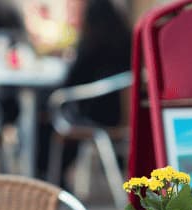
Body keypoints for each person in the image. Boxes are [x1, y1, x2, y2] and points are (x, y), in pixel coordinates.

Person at [39, 0, 132, 189]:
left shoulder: (92, 41)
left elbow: (72, 79)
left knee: (47, 115)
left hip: (93, 113)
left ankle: (45, 177)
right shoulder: (127, 38)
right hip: (118, 115)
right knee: (60, 113)